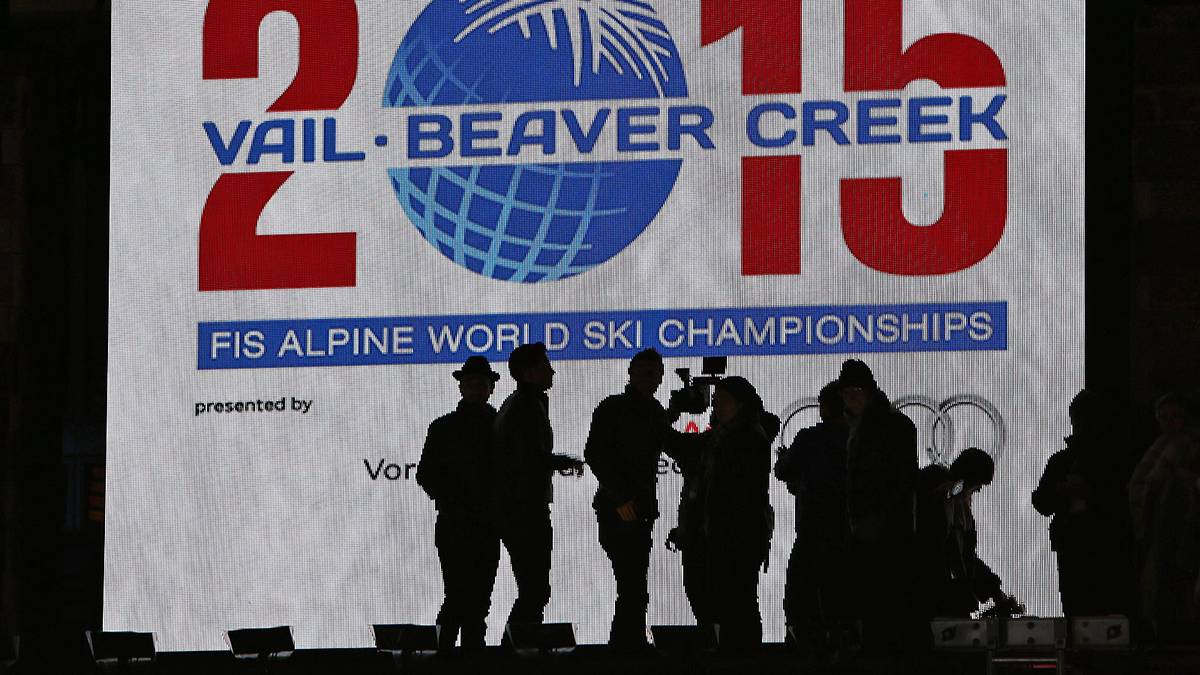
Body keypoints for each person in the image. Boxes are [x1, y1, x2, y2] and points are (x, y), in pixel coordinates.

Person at [666, 376, 773, 652]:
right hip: (709, 539)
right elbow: (676, 446)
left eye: (722, 400)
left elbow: (736, 495)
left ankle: (740, 658)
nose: (715, 405)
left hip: (734, 542)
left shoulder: (749, 439)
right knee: (710, 603)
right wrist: (670, 414)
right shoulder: (718, 438)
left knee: (736, 607)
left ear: (740, 405)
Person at [584, 349, 671, 649]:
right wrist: (620, 498)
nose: (651, 377)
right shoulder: (613, 408)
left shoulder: (655, 411)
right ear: (631, 373)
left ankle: (627, 644)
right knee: (632, 585)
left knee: (634, 585)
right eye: (645, 371)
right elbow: (595, 454)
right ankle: (626, 647)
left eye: (656, 372)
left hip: (639, 510)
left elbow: (671, 443)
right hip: (617, 510)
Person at [493, 343, 582, 630]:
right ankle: (515, 655)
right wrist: (563, 462)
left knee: (533, 590)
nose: (552, 370)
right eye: (546, 365)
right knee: (535, 590)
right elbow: (528, 458)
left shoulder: (524, 402)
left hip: (521, 507)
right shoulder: (525, 405)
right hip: (524, 509)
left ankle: (517, 652)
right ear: (530, 373)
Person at [415, 356, 503, 649]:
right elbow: (426, 474)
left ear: (491, 388)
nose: (478, 388)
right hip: (457, 522)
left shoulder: (499, 426)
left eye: (483, 383)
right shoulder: (444, 427)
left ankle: (462, 657)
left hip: (484, 522)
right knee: (458, 597)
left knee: (477, 601)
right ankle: (446, 656)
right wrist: (457, 501)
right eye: (472, 383)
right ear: (461, 387)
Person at [837, 359, 919, 649]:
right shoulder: (853, 428)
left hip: (883, 531)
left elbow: (899, 481)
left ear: (870, 391)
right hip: (867, 528)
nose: (851, 397)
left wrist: (877, 519)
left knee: (881, 602)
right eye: (846, 392)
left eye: (856, 390)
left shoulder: (888, 426)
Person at [1033, 389, 1134, 617]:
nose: (1082, 424)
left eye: (1087, 418)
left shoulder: (1114, 458)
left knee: (1096, 607)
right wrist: (1061, 492)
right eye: (1078, 418)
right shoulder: (1063, 461)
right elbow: (1042, 502)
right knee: (1079, 606)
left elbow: (1126, 498)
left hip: (1104, 543)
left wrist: (1090, 492)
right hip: (1075, 542)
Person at [773, 381, 850, 647]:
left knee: (801, 598)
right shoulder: (858, 436)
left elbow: (784, 471)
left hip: (813, 530)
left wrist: (786, 461)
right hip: (850, 533)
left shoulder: (810, 438)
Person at [1128, 393, 1200, 634]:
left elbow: (1155, 484)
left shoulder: (1184, 444)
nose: (1170, 423)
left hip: (1177, 524)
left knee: (1168, 580)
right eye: (1164, 418)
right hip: (1161, 523)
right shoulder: (1163, 444)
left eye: (1175, 417)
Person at [915, 448, 1010, 619]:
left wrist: (992, 588)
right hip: (937, 597)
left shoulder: (950, 501)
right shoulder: (949, 500)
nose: (977, 492)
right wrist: (992, 590)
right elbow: (959, 555)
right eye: (977, 486)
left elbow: (964, 556)